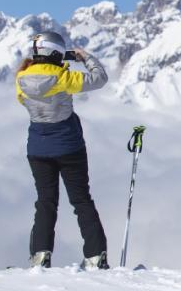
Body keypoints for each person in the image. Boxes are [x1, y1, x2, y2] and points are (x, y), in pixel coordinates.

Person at [15, 31, 110, 269]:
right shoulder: (62, 77)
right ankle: (95, 255)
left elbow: (24, 99)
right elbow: (100, 79)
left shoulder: (21, 80)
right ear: (56, 52)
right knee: (81, 200)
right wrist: (85, 57)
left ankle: (40, 255)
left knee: (45, 202)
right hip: (69, 147)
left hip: (37, 149)